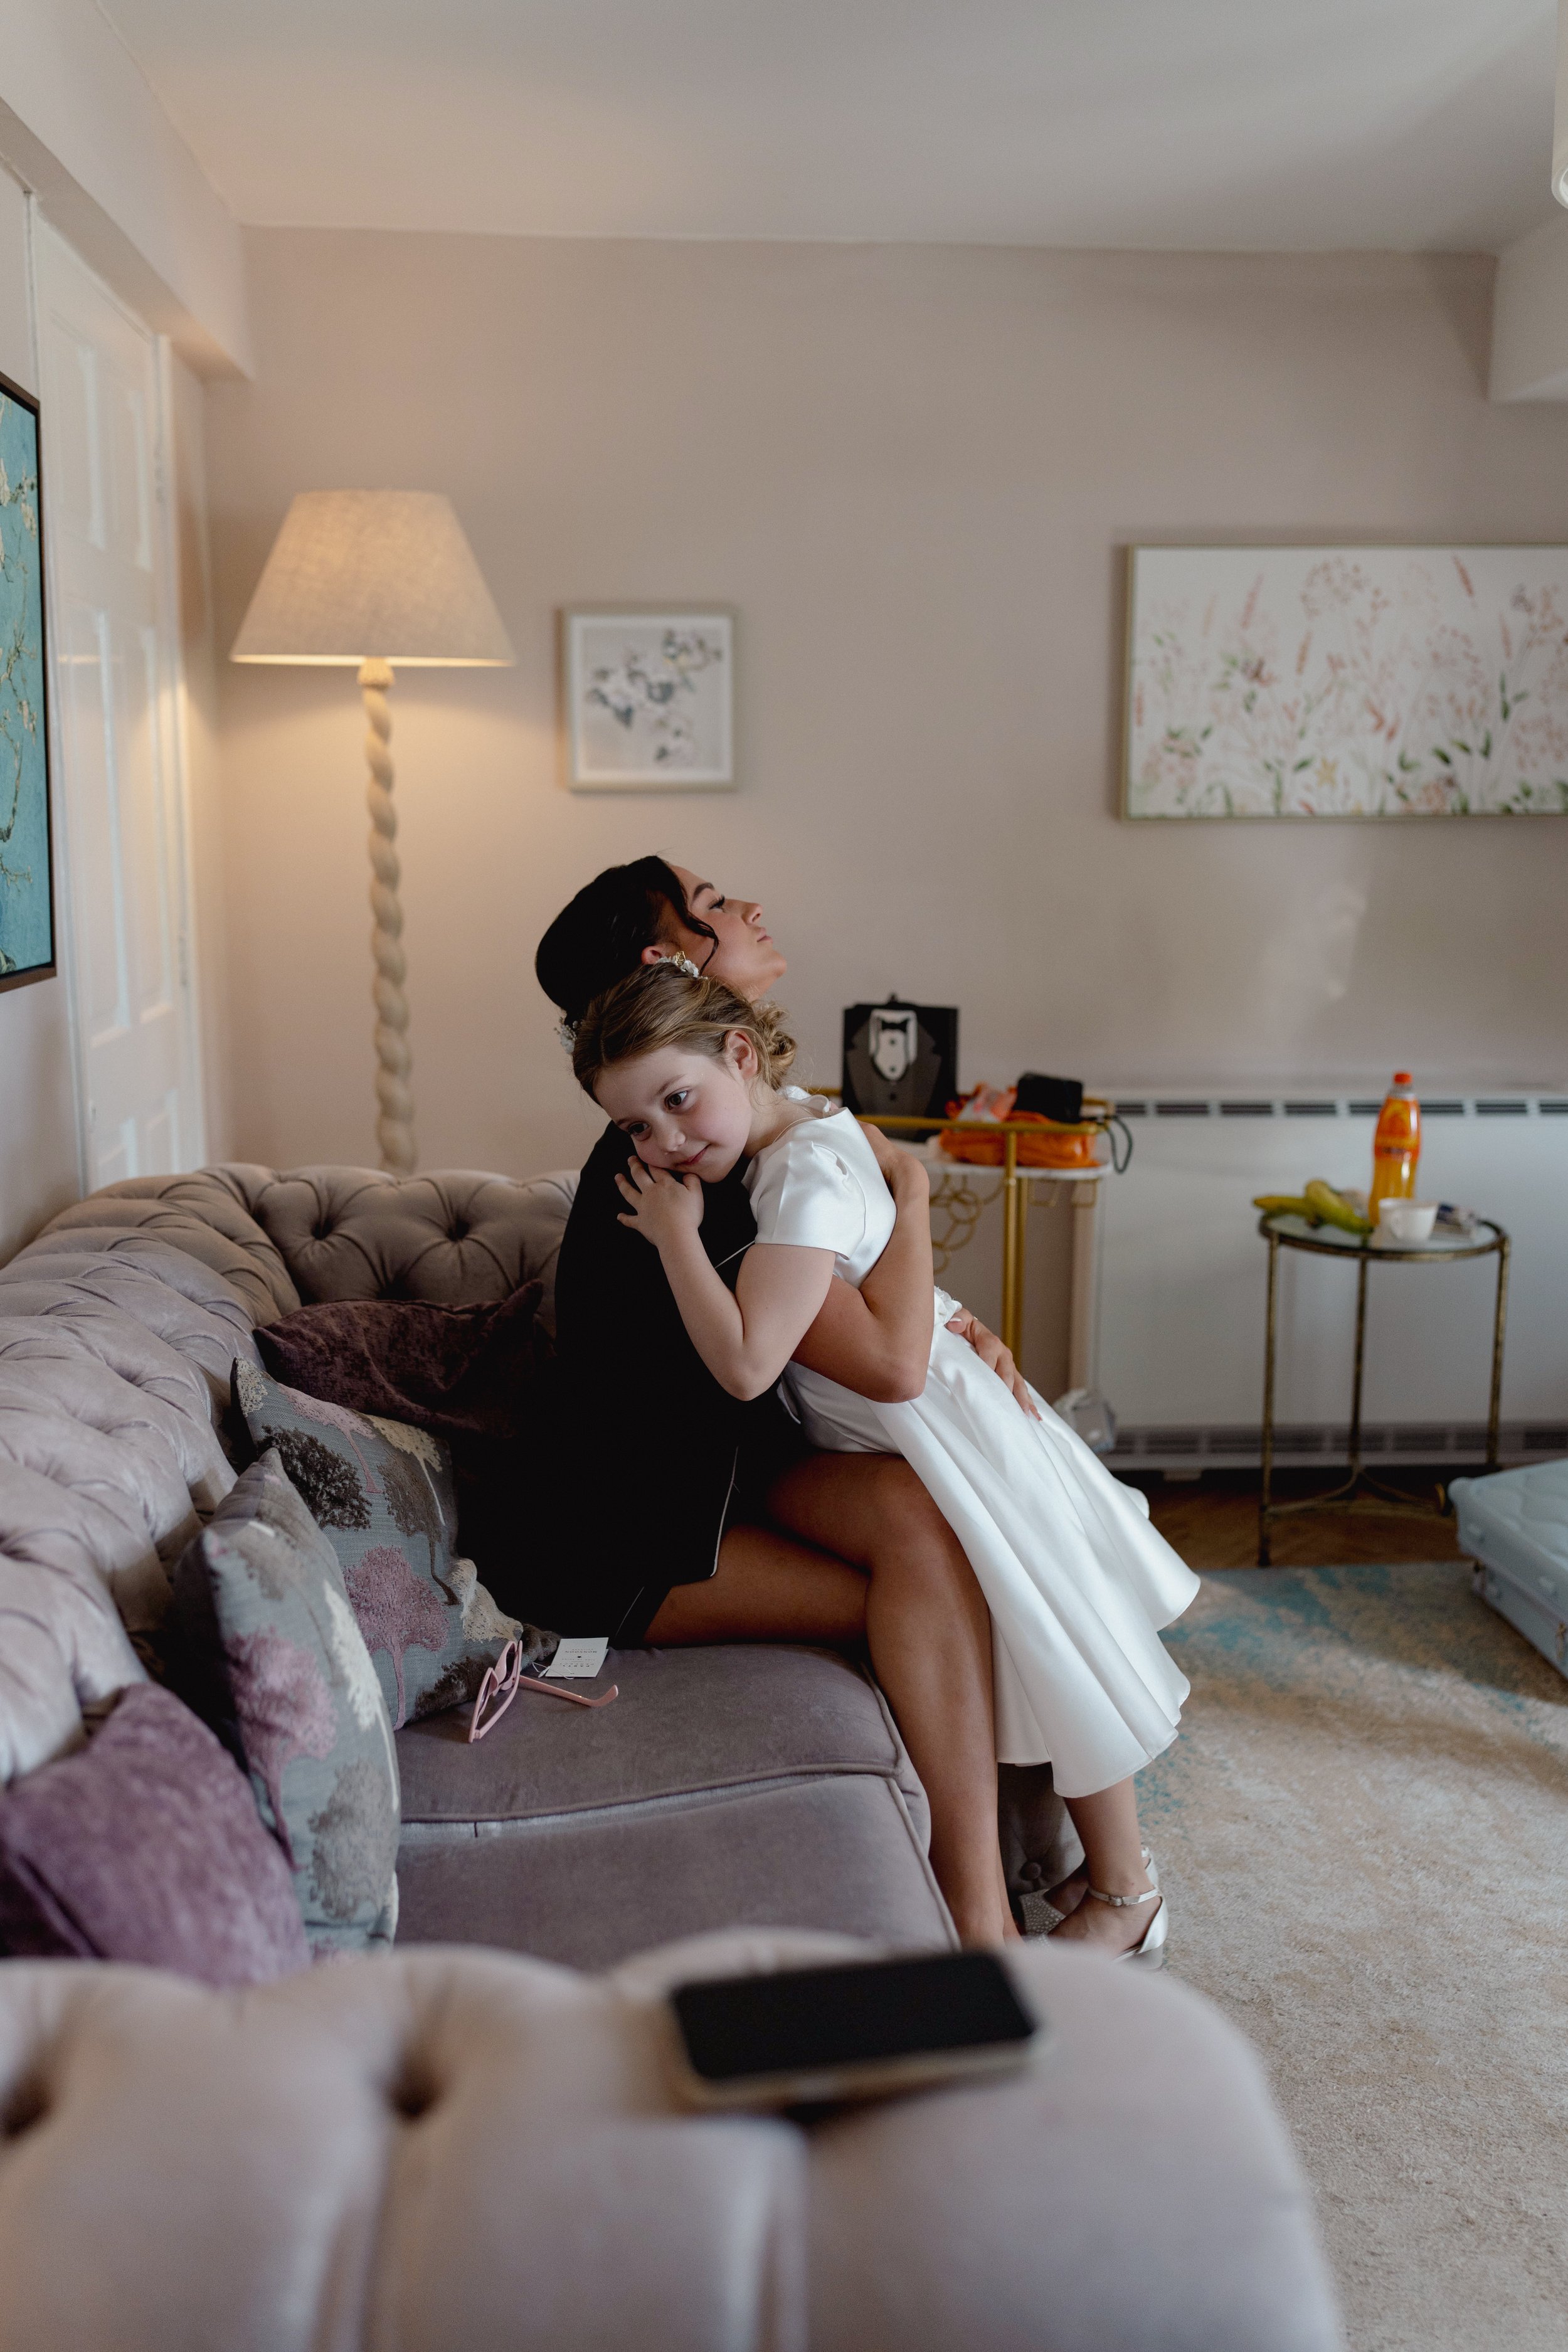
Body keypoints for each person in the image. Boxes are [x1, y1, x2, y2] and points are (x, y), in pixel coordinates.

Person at [570, 958, 1203, 1968]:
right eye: (638, 1125)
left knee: (1053, 1616)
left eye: (676, 1102)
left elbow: (780, 1358)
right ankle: (1097, 1880)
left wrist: (690, 1239)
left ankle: (1114, 1889)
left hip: (926, 1424)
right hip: (899, 1430)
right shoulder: (795, 1130)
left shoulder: (787, 1176)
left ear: (740, 1051)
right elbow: (868, 1322)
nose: (664, 1142)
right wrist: (911, 1216)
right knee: (1050, 1611)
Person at [534, 858, 1034, 1947]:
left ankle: (1000, 1876)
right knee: (941, 1579)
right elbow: (885, 1361)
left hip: (738, 1481)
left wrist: (964, 1322)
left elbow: (871, 1313)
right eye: (711, 904)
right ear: (667, 962)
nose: (748, 907)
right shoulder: (685, 1169)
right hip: (636, 1541)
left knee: (933, 1516)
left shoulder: (748, 1132)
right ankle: (981, 1921)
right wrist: (914, 1203)